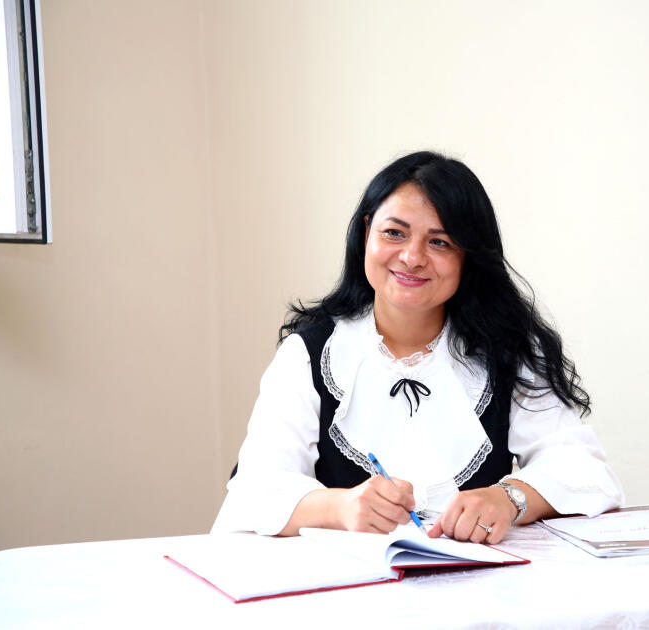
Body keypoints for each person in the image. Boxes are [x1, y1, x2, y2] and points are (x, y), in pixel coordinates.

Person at [212, 151, 623, 544]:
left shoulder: (508, 350)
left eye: (440, 242)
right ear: (366, 233)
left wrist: (510, 497)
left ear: (468, 256)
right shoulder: (308, 354)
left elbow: (587, 472)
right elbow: (254, 491)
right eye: (394, 233)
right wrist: (341, 507)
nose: (412, 257)